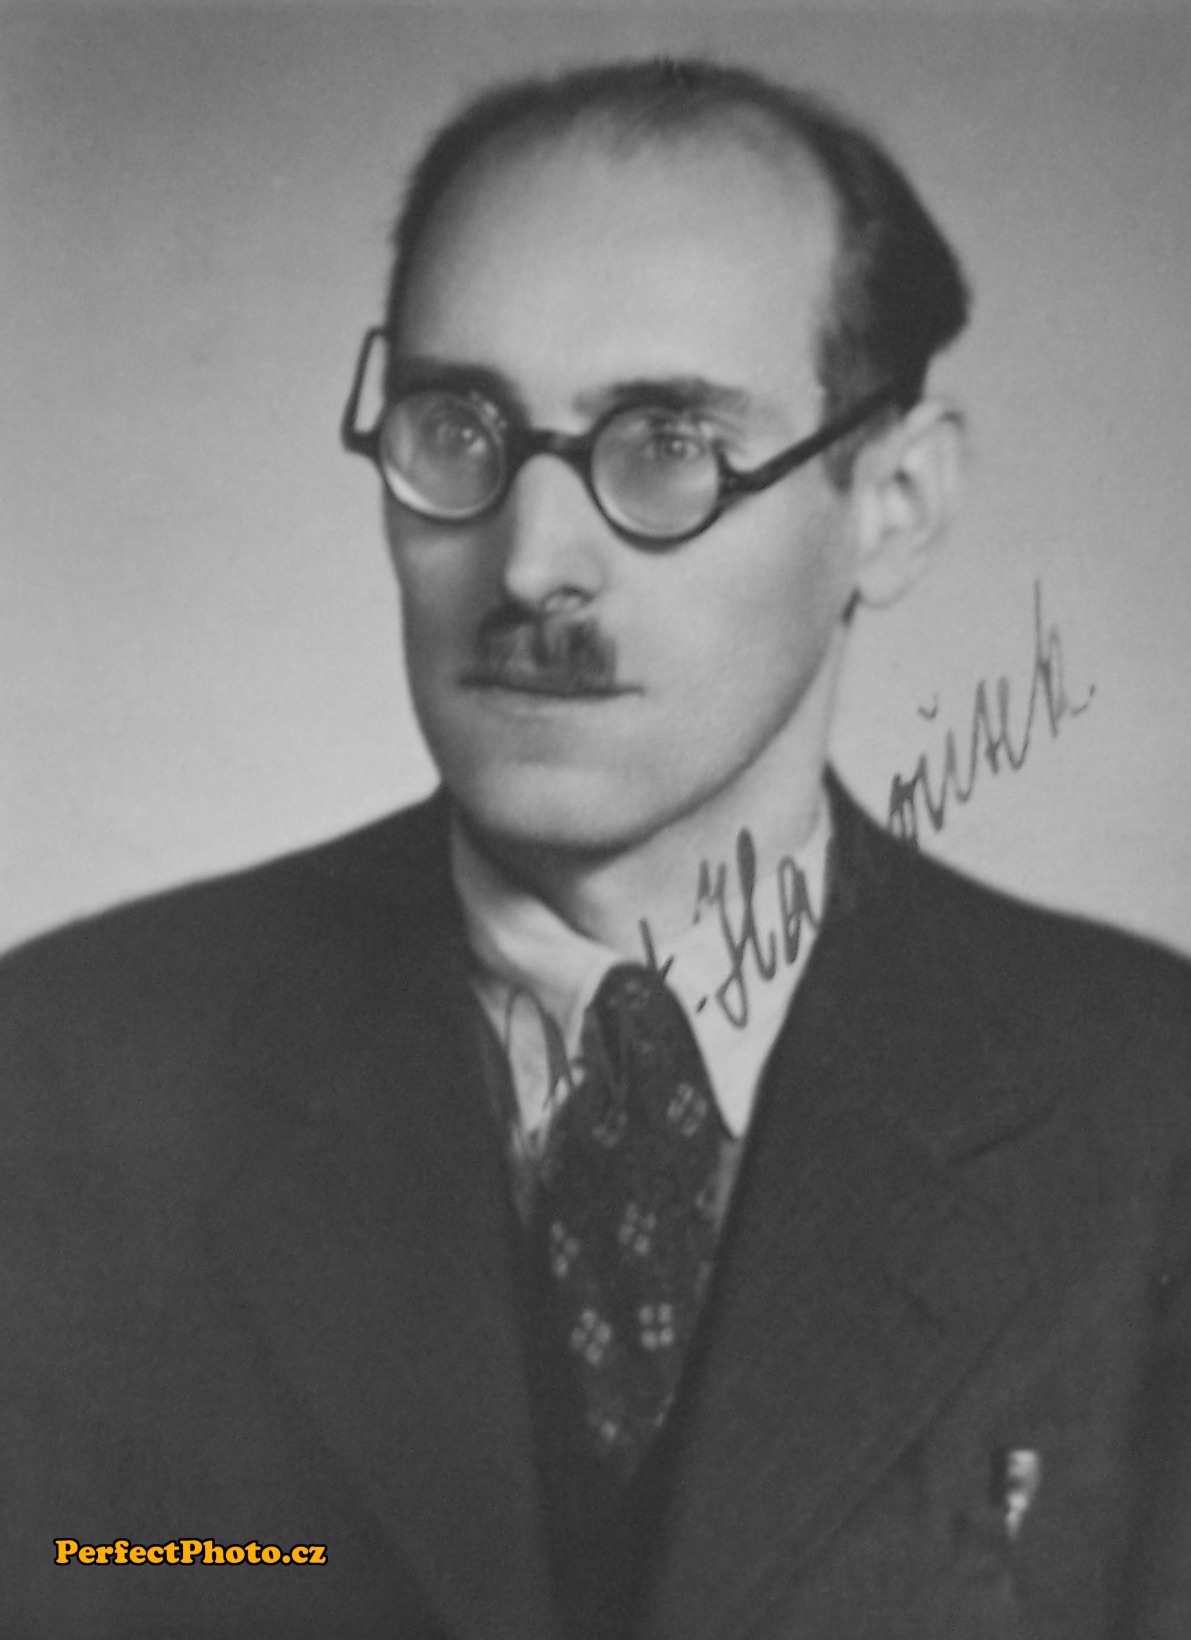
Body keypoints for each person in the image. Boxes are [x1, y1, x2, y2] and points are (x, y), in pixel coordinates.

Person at [1, 55, 1188, 1640]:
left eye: (668, 443)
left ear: (894, 504)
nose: (531, 561)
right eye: (457, 427)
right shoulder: (65, 1071)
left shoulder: (1148, 1112)